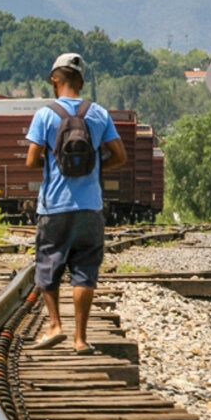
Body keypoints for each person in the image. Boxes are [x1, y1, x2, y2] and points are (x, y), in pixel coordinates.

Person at [24, 53, 126, 355]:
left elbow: (31, 160)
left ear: (56, 80)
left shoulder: (45, 114)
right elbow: (120, 156)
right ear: (80, 81)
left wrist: (54, 164)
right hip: (90, 206)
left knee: (48, 265)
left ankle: (55, 325)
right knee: (85, 270)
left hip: (54, 205)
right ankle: (80, 338)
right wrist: (93, 168)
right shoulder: (98, 114)